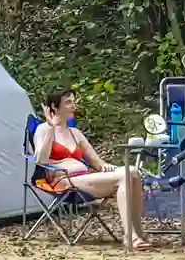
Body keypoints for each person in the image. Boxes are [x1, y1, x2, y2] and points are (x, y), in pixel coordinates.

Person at [33, 87, 151, 250]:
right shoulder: (44, 130)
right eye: (68, 102)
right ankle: (129, 236)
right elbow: (41, 161)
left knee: (132, 172)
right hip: (63, 183)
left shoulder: (76, 133)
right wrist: (51, 128)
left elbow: (97, 163)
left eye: (73, 102)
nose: (73, 106)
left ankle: (139, 233)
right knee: (125, 176)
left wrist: (107, 167)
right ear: (54, 107)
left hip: (84, 179)